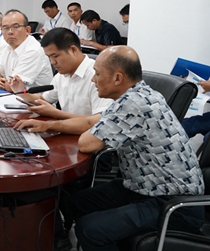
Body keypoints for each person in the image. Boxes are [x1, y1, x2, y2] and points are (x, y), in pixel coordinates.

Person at [42, 46, 203, 251]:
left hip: (173, 204)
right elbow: (92, 122)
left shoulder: (133, 103)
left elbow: (87, 143)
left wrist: (59, 126)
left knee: (91, 230)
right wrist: (49, 125)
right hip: (144, 188)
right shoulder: (140, 94)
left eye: (97, 74)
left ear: (117, 78)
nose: (93, 80)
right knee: (76, 202)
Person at [10, 28, 112, 121]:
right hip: (66, 130)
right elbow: (42, 100)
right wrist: (20, 92)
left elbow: (99, 121)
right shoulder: (60, 76)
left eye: (55, 56)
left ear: (73, 50)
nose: (52, 62)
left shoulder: (96, 76)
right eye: (49, 57)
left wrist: (56, 113)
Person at [0, 9, 53, 91]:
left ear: (27, 30)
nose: (10, 32)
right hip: (13, 96)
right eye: (5, 28)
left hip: (33, 99)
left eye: (15, 27)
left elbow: (13, 86)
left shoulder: (33, 50)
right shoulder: (7, 46)